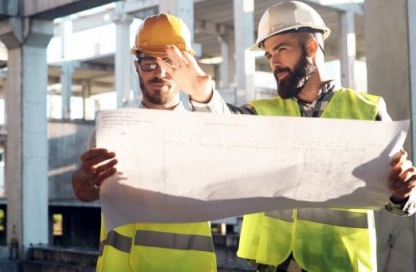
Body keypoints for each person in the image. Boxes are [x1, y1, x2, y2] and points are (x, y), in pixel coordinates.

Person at [158, 1, 416, 271]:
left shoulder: (367, 111)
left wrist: (402, 193)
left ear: (312, 47)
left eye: (281, 49)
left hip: (339, 263)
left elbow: (401, 204)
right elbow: (225, 128)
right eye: (269, 55)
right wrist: (203, 95)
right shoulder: (263, 113)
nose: (274, 62)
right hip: (273, 264)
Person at [72, 13, 217, 272]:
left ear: (185, 65)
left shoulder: (206, 132)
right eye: (149, 62)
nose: (159, 73)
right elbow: (94, 190)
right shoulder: (110, 133)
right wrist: (85, 187)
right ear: (136, 65)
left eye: (169, 62)